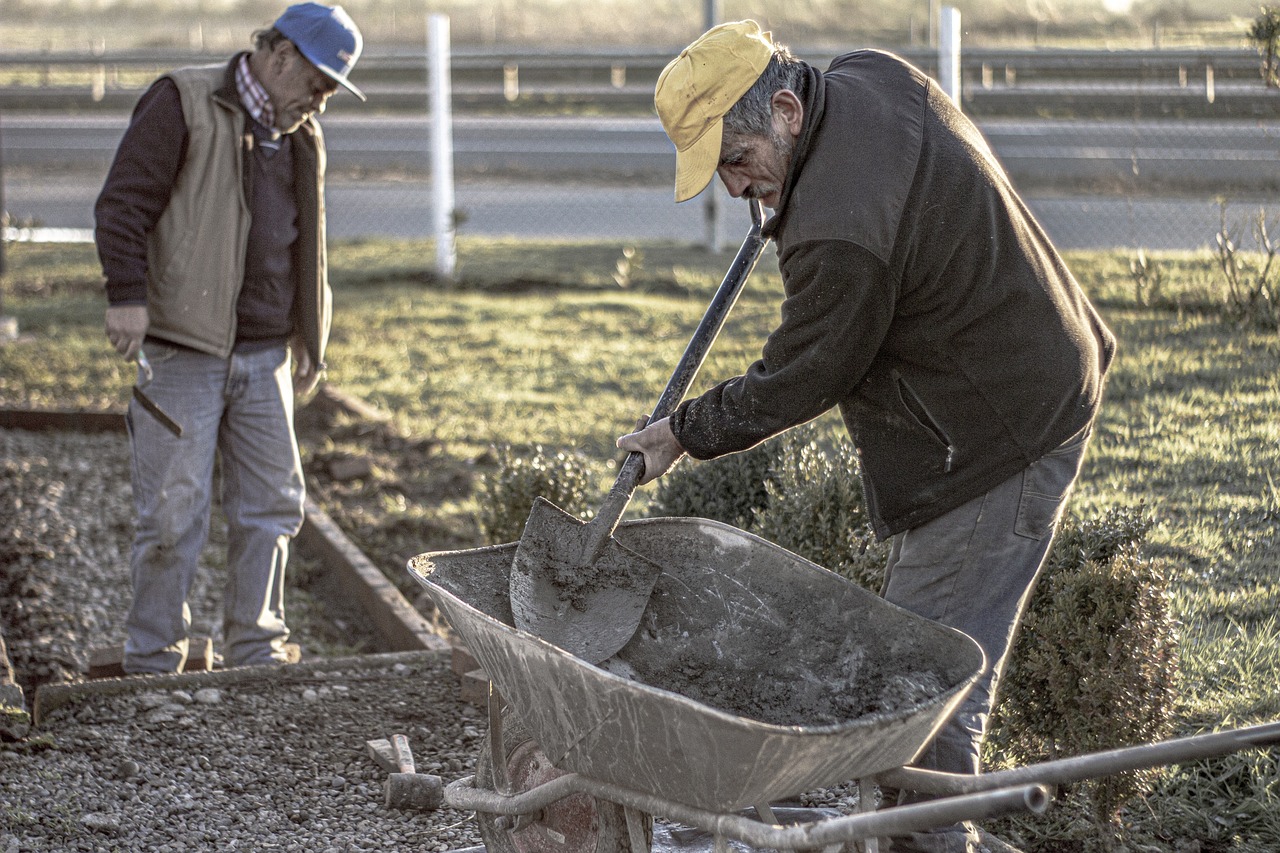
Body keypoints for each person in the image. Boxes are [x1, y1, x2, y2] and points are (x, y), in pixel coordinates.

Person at [617, 21, 1116, 853]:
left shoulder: (839, 228)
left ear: (783, 107)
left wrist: (684, 433)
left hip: (996, 434)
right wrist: (786, 199)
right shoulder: (863, 78)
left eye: (736, 162)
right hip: (1020, 372)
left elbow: (806, 371)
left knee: (917, 704)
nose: (737, 188)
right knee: (917, 667)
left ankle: (931, 837)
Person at [94, 3, 365, 674]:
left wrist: (310, 333)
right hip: (185, 348)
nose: (322, 101)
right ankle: (153, 659)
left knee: (272, 507)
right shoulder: (180, 101)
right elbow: (121, 206)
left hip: (266, 353)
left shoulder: (300, 134)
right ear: (280, 57)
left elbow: (306, 243)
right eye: (321, 83)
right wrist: (127, 297)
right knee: (171, 516)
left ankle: (256, 652)